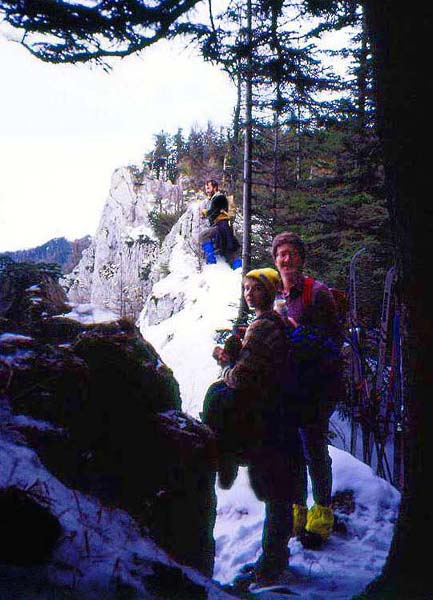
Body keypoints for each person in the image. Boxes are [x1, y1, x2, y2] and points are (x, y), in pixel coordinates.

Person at [202, 268, 304, 586]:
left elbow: (244, 378)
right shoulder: (271, 323)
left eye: (256, 288)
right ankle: (274, 558)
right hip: (281, 416)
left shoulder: (262, 326)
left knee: (274, 489)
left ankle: (270, 567)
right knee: (279, 489)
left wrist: (227, 365)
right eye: (246, 288)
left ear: (270, 292)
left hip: (268, 419)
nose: (248, 293)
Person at [271, 230, 344, 549]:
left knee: (314, 451)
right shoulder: (275, 295)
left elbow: (334, 343)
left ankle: (322, 515)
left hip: (317, 386)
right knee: (292, 451)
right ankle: (298, 514)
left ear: (301, 257)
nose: (286, 259)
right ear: (275, 260)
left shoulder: (318, 293)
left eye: (291, 253)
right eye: (280, 254)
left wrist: (300, 334)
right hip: (288, 386)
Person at [199, 179, 242, 269]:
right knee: (229, 252)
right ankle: (239, 270)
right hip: (224, 227)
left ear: (215, 188)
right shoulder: (216, 198)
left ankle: (211, 262)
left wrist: (203, 212)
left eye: (209, 188)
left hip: (221, 226)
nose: (207, 191)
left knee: (203, 236)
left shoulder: (219, 197)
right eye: (206, 189)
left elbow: (212, 212)